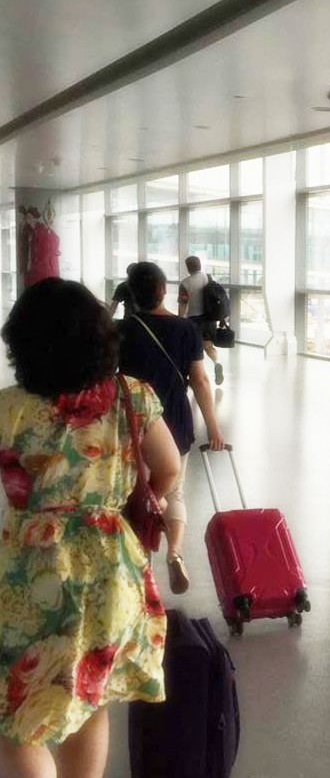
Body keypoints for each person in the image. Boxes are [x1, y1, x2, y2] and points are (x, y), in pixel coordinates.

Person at [0, 278, 180, 778]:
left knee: (15, 717)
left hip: (29, 571)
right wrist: (128, 498)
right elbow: (168, 467)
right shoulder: (132, 396)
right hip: (108, 566)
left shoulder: (9, 408)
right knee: (89, 693)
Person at [119, 261, 225, 595]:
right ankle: (175, 552)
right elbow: (201, 381)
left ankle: (140, 562)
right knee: (173, 491)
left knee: (134, 494)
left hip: (132, 423)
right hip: (175, 420)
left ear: (132, 294)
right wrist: (213, 427)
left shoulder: (122, 330)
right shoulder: (185, 330)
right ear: (164, 290)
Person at [178, 255, 224, 386]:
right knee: (208, 346)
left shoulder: (185, 283)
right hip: (209, 319)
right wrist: (221, 318)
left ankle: (197, 375)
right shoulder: (209, 278)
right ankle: (217, 363)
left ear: (188, 267)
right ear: (200, 265)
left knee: (194, 350)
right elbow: (218, 299)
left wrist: (180, 319)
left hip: (194, 320)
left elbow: (183, 304)